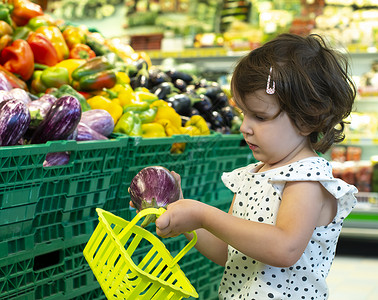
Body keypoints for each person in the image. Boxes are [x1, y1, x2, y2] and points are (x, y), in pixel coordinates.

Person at [138, 33, 358, 299]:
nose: (244, 127)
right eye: (243, 113)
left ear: (307, 119)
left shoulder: (305, 179)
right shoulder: (253, 175)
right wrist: (185, 215)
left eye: (260, 116)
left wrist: (205, 215)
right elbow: (226, 251)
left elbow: (285, 248)